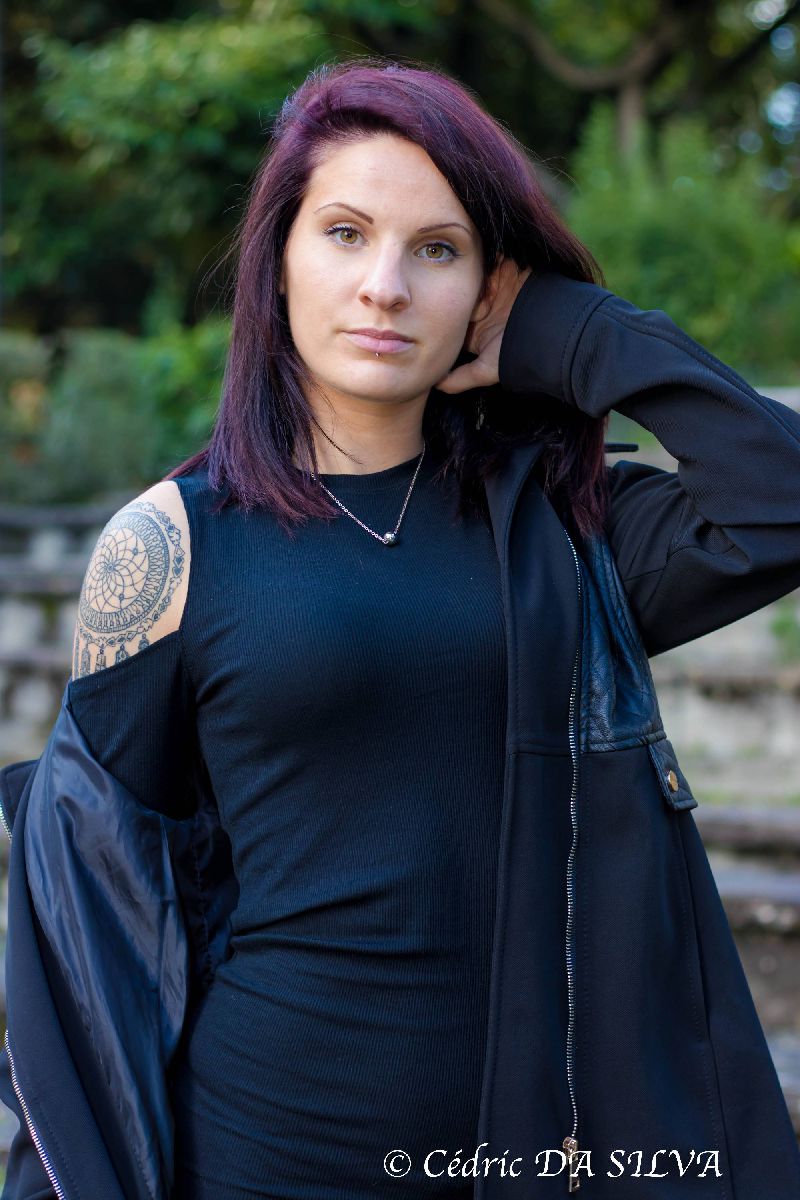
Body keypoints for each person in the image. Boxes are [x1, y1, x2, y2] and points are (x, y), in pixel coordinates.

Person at [3, 54, 800, 1200]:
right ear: (278, 261)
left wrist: (573, 334)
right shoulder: (171, 543)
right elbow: (84, 912)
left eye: (436, 248)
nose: (383, 285)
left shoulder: (564, 527)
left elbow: (779, 502)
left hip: (529, 1157)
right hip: (260, 1151)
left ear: (486, 288)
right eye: (343, 233)